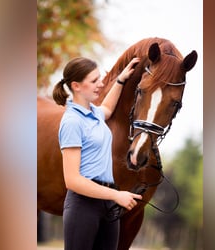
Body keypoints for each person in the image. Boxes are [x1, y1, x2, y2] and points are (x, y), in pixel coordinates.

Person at [52, 57, 142, 250]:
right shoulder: (72, 122)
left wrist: (121, 80)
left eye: (99, 79)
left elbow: (107, 108)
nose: (100, 84)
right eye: (94, 81)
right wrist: (116, 195)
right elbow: (72, 180)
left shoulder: (94, 113)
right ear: (76, 86)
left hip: (108, 205)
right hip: (83, 206)